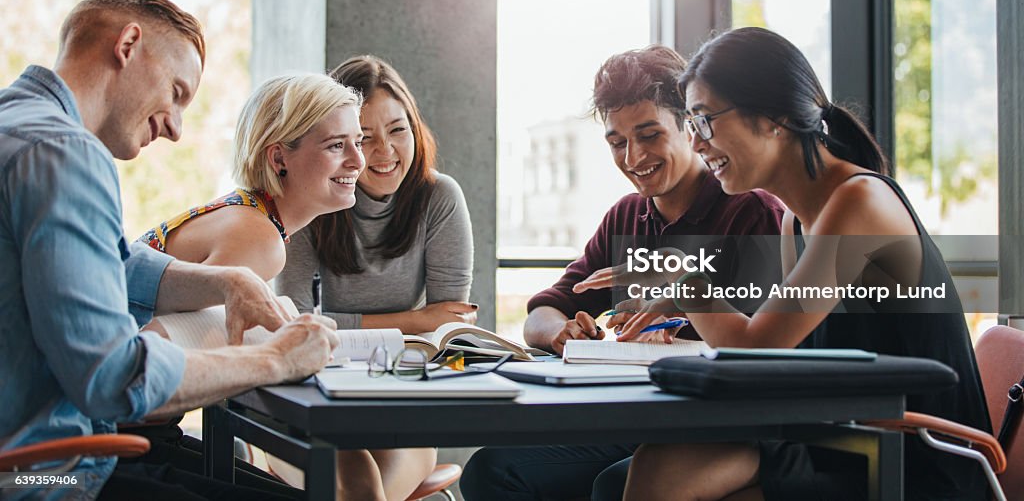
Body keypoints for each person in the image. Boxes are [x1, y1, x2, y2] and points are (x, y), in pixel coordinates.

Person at [575, 27, 991, 501]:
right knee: (642, 471)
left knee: (658, 474)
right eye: (691, 124)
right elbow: (775, 359)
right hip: (844, 437)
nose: (696, 142)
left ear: (773, 118)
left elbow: (755, 347)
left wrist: (683, 278)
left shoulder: (859, 202)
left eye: (705, 121)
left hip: (913, 457)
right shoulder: (797, 220)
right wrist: (681, 292)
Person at [0, 0, 339, 501]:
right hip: (42, 476)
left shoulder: (19, 128)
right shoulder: (65, 152)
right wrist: (277, 359)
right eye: (177, 92)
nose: (177, 129)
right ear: (129, 44)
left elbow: (108, 259)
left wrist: (227, 280)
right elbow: (114, 378)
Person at [461, 45, 785, 501]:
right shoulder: (626, 217)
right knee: (492, 470)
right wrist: (562, 332)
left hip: (720, 430)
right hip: (637, 421)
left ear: (690, 127)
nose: (633, 158)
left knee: (615, 484)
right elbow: (542, 312)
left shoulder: (751, 211)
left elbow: (764, 349)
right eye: (617, 142)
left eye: (649, 135)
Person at [140, 72, 437, 501]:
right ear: (279, 159)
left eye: (358, 140)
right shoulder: (258, 238)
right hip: (113, 442)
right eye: (338, 145)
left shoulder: (252, 216)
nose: (359, 160)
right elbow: (171, 352)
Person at [276, 54, 476, 334]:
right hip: (327, 361)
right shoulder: (308, 198)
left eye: (397, 130)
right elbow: (296, 321)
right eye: (364, 138)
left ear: (415, 129)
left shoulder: (439, 196)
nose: (385, 150)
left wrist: (426, 323)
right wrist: (415, 320)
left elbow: (448, 321)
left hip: (413, 362)